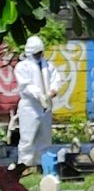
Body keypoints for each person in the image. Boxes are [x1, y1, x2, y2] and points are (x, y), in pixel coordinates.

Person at [13, 36, 61, 169]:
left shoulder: (47, 65)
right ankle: (24, 166)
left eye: (41, 52)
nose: (39, 55)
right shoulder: (22, 67)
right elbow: (26, 86)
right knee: (28, 138)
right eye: (37, 53)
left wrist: (53, 90)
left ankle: (42, 165)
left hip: (46, 106)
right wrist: (40, 95)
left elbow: (55, 79)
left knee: (45, 138)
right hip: (30, 106)